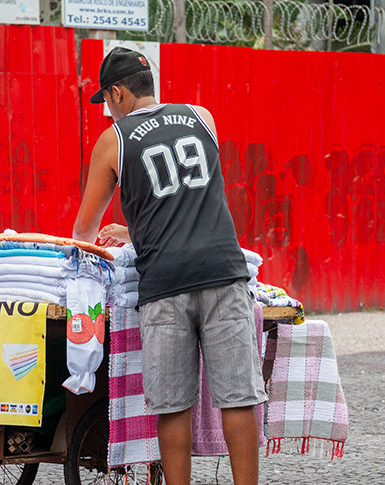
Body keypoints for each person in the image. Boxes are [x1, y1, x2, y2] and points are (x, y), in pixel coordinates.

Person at [72, 47, 266, 485]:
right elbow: (186, 198)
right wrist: (135, 227)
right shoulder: (202, 117)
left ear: (117, 93)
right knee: (237, 399)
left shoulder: (114, 139)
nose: (108, 109)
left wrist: (94, 244)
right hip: (223, 272)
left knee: (173, 406)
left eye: (106, 100)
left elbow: (85, 230)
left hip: (164, 286)